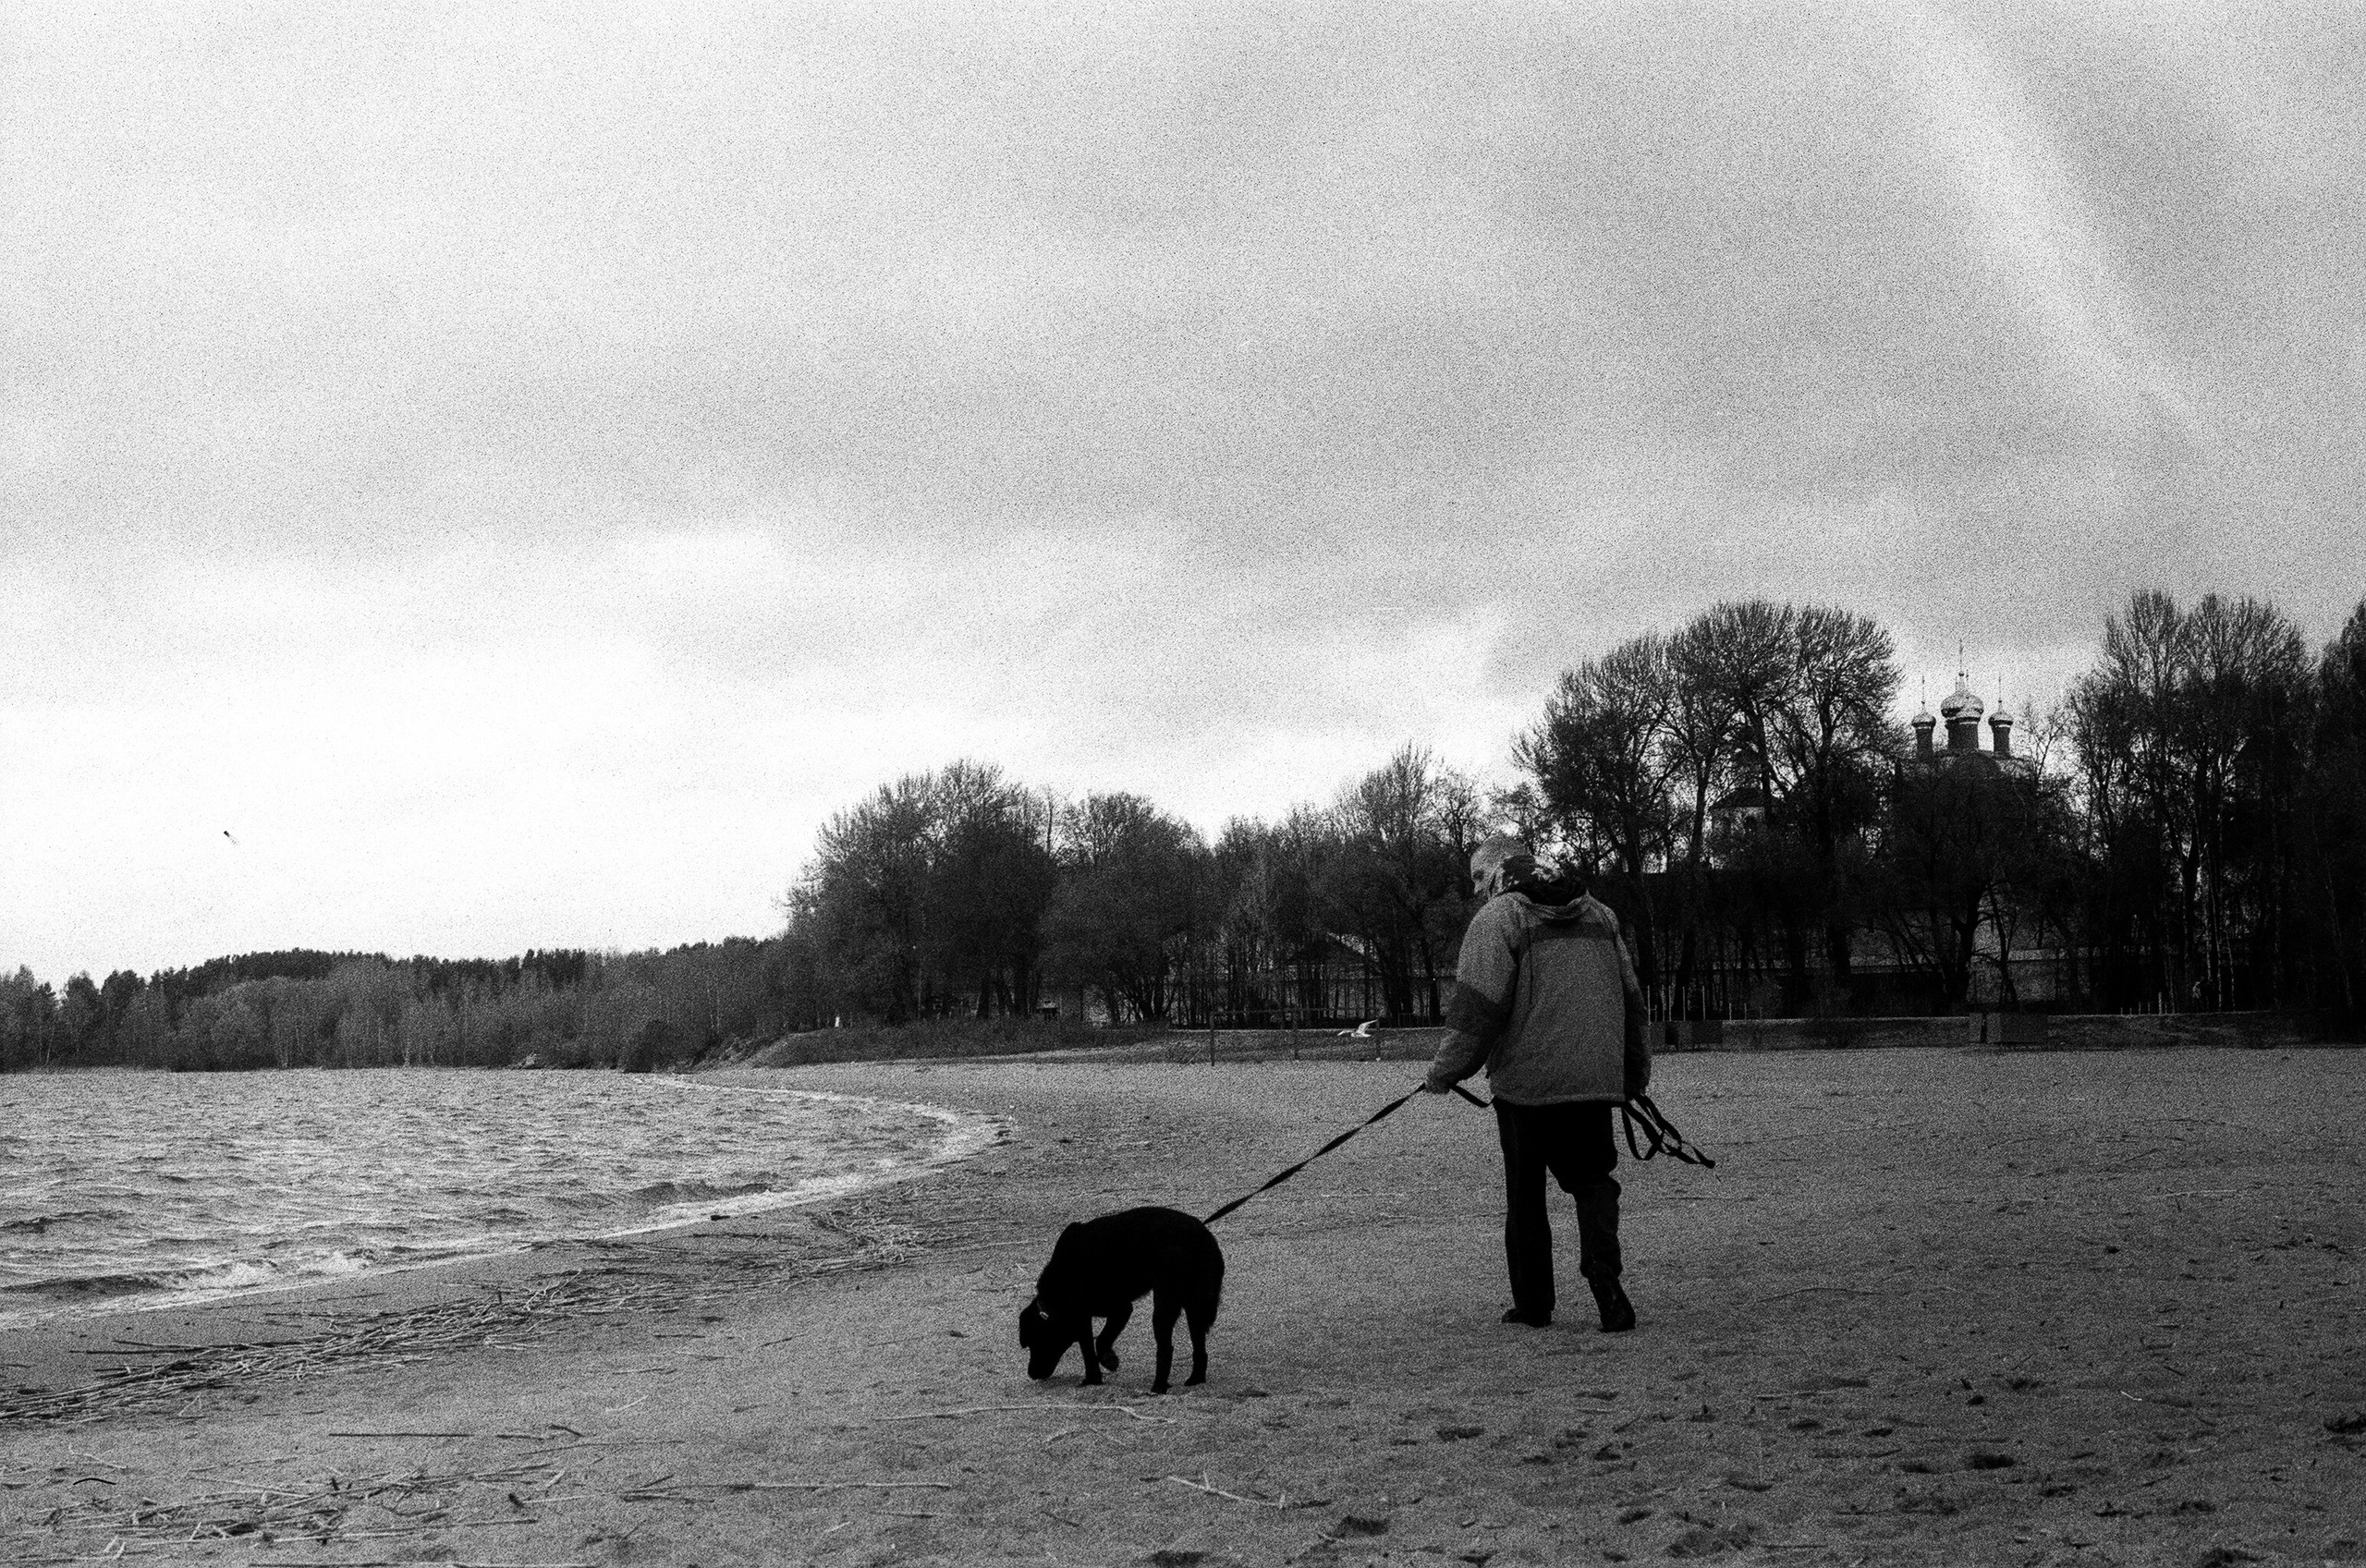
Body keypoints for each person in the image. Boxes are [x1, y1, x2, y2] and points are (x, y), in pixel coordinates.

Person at [1422, 834, 1650, 1332]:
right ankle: (1604, 1274)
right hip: (1593, 1080)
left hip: (1526, 1086)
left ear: (1502, 867)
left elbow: (1477, 1011)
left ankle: (1533, 1305)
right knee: (1593, 1182)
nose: (1479, 890)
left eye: (1479, 878)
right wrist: (1633, 1073)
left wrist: (1444, 1071)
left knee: (1526, 1197)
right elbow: (1633, 1002)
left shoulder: (1499, 919)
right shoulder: (1601, 915)